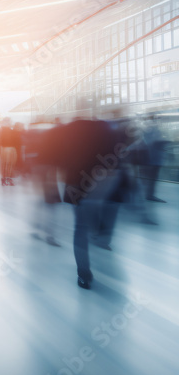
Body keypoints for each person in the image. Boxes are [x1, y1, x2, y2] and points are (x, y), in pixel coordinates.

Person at [49, 116, 120, 289]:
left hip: (75, 184)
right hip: (99, 181)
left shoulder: (67, 131)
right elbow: (115, 154)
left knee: (80, 227)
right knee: (95, 213)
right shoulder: (103, 128)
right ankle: (99, 234)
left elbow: (57, 159)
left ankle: (84, 274)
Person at [0, 118, 21, 186]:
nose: (7, 123)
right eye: (6, 121)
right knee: (4, 165)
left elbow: (17, 141)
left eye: (8, 121)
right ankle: (4, 179)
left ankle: (8, 178)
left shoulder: (13, 131)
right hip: (3, 149)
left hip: (11, 149)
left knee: (10, 165)